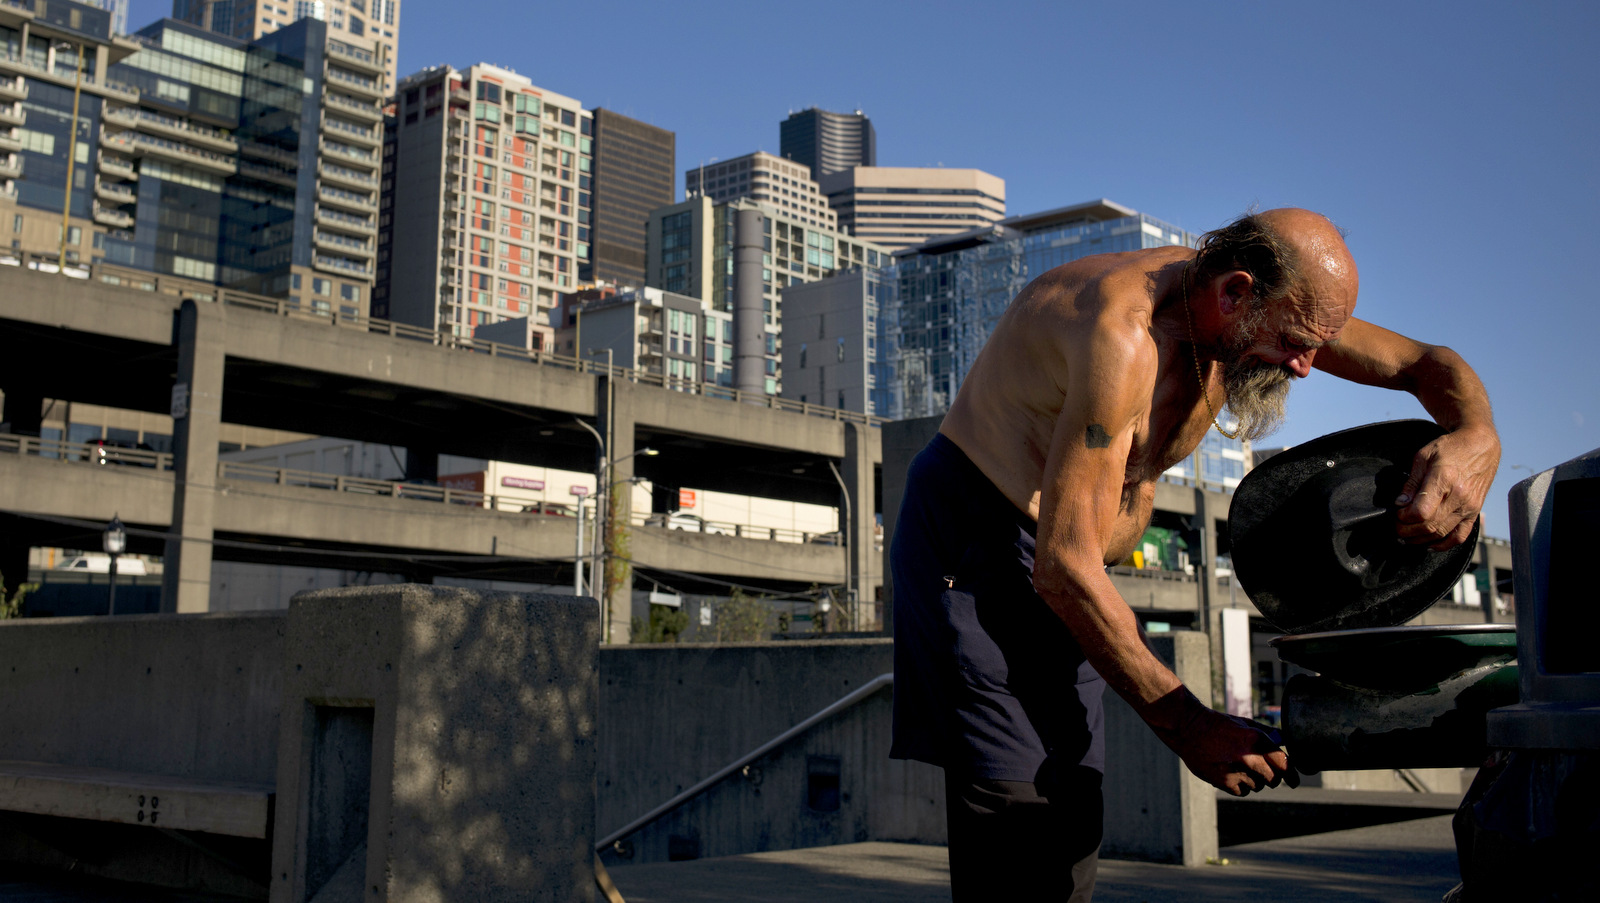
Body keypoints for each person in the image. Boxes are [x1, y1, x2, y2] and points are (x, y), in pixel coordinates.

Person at [889, 208, 1501, 901]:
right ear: (1235, 291)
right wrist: (1189, 723)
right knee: (1020, 808)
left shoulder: (1262, 307)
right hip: (978, 545)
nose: (1306, 366)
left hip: (1068, 562)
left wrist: (1477, 434)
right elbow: (1062, 565)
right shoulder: (1121, 336)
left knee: (1070, 801)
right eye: (1297, 343)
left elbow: (1428, 365)